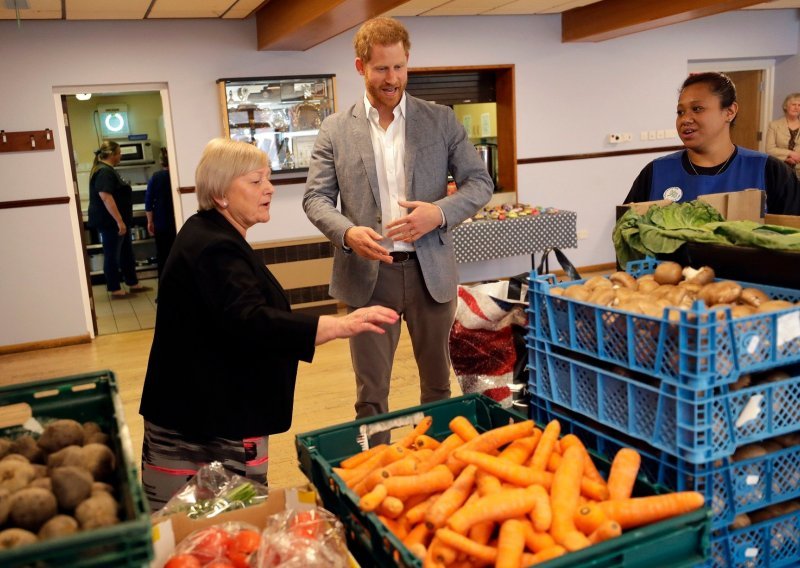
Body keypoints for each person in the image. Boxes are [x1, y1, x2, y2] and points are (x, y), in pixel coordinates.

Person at [138, 138, 398, 511]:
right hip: (208, 423)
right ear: (222, 194)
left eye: (268, 178)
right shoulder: (214, 247)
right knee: (215, 525)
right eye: (256, 181)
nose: (269, 188)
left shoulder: (208, 233)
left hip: (197, 412)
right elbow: (251, 321)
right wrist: (338, 325)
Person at [303, 17, 493, 444]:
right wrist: (348, 233)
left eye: (400, 68)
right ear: (360, 67)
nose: (393, 79)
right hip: (370, 277)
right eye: (382, 69)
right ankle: (379, 469)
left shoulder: (440, 120)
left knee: (438, 388)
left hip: (432, 274)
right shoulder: (335, 129)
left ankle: (440, 465)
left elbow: (480, 183)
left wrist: (438, 214)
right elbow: (315, 200)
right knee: (371, 394)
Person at [625, 72, 800, 215]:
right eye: (680, 112)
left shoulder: (770, 171)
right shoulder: (656, 171)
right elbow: (627, 236)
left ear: (729, 112)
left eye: (697, 109)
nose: (685, 119)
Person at [87, 140, 152, 298]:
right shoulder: (104, 172)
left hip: (116, 221)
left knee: (125, 253)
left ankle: (132, 283)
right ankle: (114, 288)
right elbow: (106, 197)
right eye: (119, 153)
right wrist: (119, 221)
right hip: (110, 222)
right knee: (112, 254)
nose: (121, 155)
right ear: (112, 155)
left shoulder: (108, 169)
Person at [144, 148, 177, 279]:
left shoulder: (156, 178)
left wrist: (150, 222)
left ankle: (163, 294)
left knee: (163, 257)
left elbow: (148, 202)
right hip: (177, 223)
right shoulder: (178, 177)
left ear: (161, 162)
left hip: (161, 223)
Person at [766, 92, 800, 179]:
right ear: (786, 106)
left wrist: (797, 159)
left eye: (799, 105)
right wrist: (789, 155)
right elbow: (769, 150)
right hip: (778, 170)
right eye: (793, 104)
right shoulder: (774, 125)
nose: (796, 107)